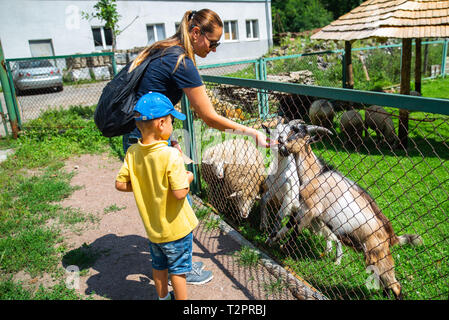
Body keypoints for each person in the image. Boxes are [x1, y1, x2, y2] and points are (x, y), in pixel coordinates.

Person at [122, 8, 274, 285]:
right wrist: (252, 132)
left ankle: (165, 265)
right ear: (196, 33)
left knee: (156, 205)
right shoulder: (182, 61)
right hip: (154, 138)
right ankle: (182, 269)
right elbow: (209, 117)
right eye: (213, 43)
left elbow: (157, 96)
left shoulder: (166, 49)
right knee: (180, 206)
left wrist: (173, 141)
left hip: (140, 135)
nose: (214, 49)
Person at [115, 92, 211, 300]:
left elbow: (120, 184)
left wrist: (146, 185)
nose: (172, 126)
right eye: (171, 122)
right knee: (178, 270)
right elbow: (179, 193)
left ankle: (162, 298)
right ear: (160, 124)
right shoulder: (171, 155)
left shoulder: (132, 152)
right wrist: (189, 178)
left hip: (153, 230)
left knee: (159, 266)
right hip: (176, 229)